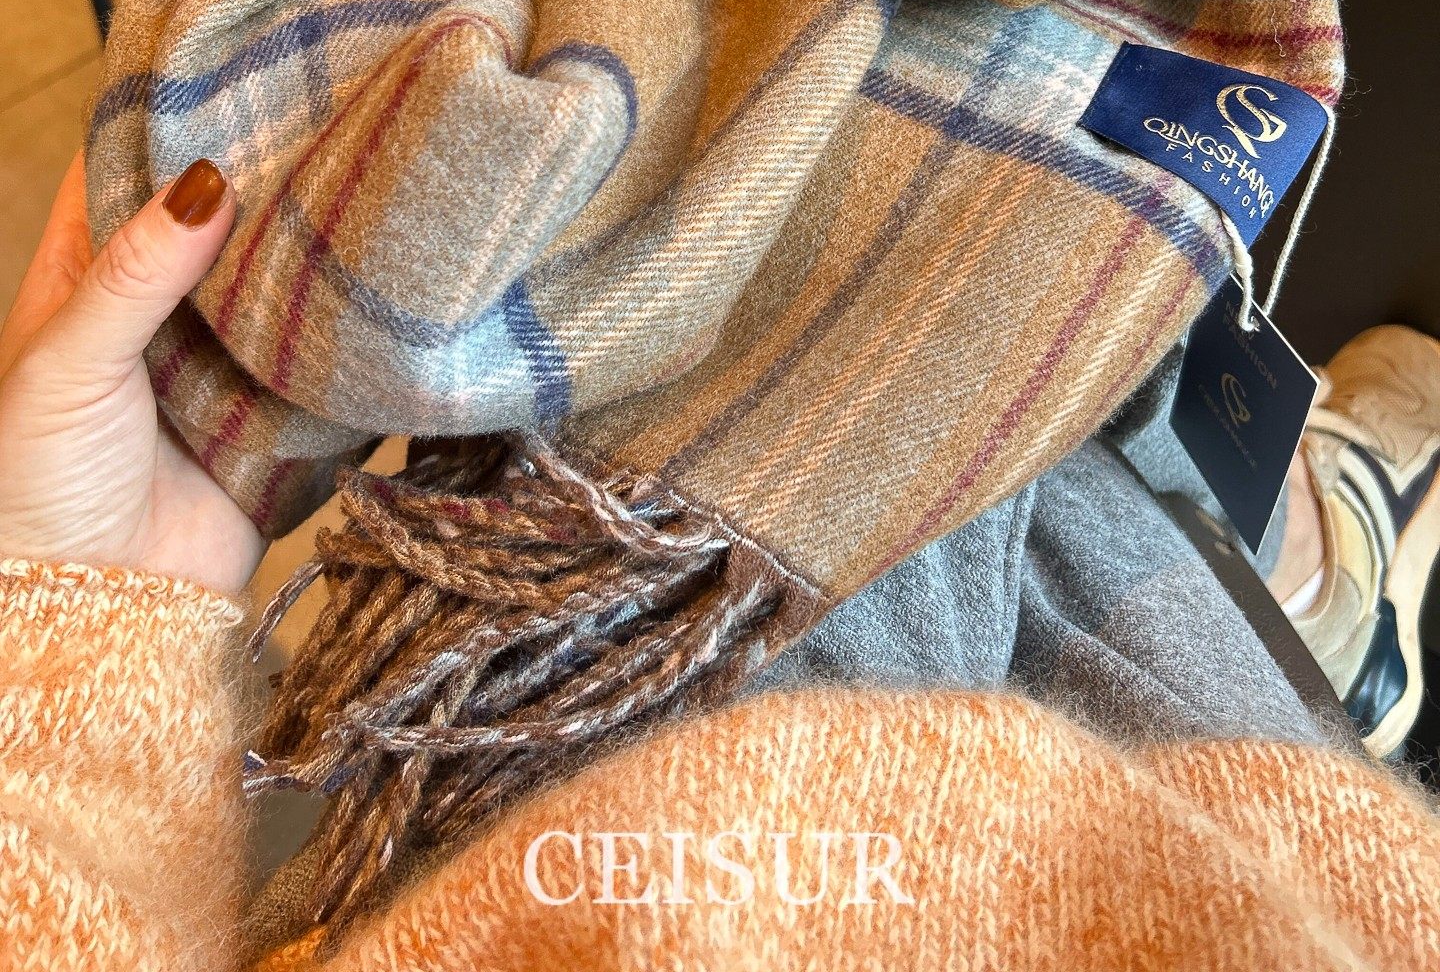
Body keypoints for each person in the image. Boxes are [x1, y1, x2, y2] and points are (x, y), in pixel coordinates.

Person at [0, 153, 1436, 970]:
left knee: (954, 310)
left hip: (507, 865)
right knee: (955, 287)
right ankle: (1321, 576)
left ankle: (1308, 566)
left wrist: (81, 630)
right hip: (1225, 887)